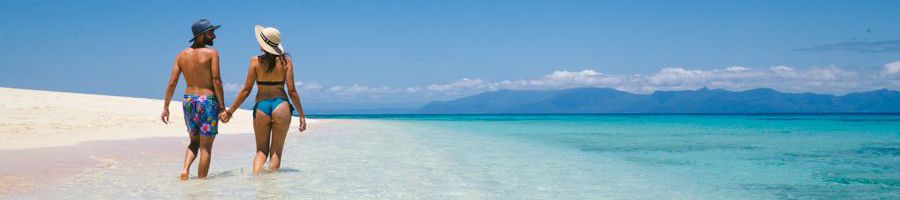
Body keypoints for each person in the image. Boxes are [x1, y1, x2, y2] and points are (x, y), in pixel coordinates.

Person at [219, 25, 307, 175]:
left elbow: (246, 90)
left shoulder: (255, 61)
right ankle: (272, 191)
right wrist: (301, 115)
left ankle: (258, 186)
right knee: (276, 152)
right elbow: (292, 91)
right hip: (281, 106)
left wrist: (229, 111)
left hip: (261, 107)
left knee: (261, 151)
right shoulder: (286, 62)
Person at [161, 19, 225, 180]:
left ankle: (185, 170)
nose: (214, 36)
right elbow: (216, 80)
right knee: (206, 148)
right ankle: (202, 186)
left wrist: (166, 106)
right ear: (202, 35)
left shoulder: (181, 55)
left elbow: (172, 82)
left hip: (189, 101)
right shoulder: (212, 53)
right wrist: (222, 107)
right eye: (211, 32)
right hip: (207, 101)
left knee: (194, 142)